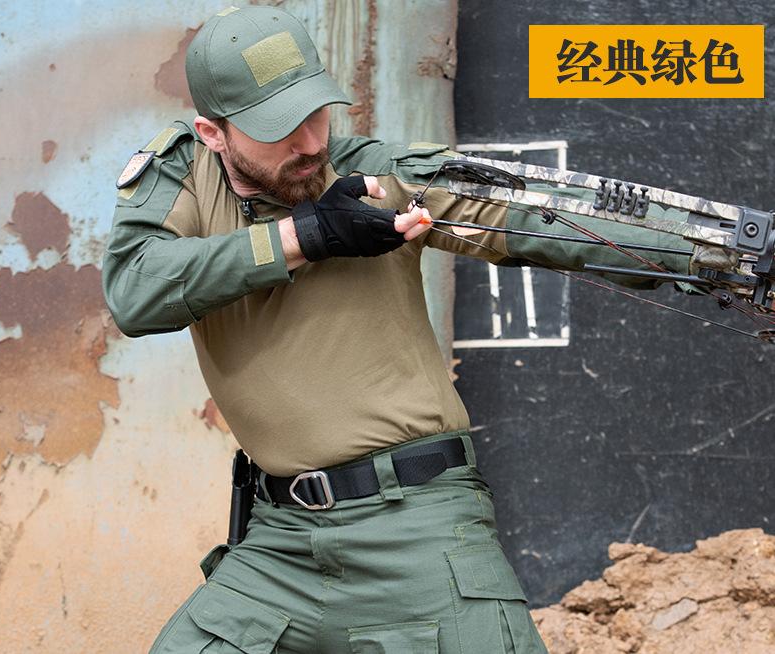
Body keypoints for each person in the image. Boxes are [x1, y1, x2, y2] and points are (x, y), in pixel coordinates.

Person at [103, 6, 693, 653]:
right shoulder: (185, 177)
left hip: (417, 526)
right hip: (280, 549)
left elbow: (537, 216)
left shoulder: (377, 176)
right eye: (279, 129)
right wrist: (307, 237)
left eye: (316, 114)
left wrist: (706, 253)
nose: (310, 144)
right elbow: (136, 291)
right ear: (213, 134)